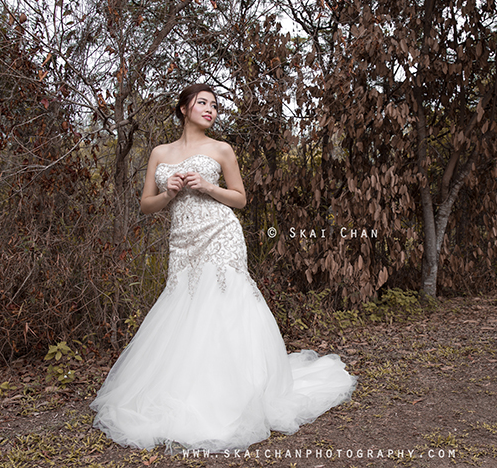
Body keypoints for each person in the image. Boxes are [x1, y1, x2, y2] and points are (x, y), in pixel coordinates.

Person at [89, 84, 356, 454]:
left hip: (220, 232)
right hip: (182, 239)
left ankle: (232, 395)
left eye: (214, 105)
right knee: (185, 306)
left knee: (224, 303)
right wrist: (170, 193)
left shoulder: (221, 149)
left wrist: (208, 187)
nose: (210, 109)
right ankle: (185, 389)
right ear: (184, 108)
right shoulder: (160, 153)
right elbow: (147, 205)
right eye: (203, 103)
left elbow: (241, 198)